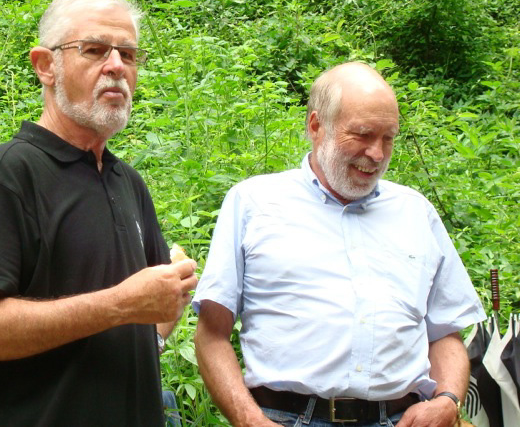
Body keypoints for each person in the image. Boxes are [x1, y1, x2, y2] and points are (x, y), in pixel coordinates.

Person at [0, 0, 198, 427]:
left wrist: (164, 301)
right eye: (94, 50)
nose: (116, 66)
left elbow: (152, 309)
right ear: (46, 66)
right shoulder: (8, 173)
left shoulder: (127, 182)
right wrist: (120, 305)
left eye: (128, 54)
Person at [193, 62, 487, 427]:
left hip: (401, 419)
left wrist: (447, 400)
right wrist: (250, 421)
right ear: (316, 126)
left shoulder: (415, 212)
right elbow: (211, 334)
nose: (377, 153)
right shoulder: (253, 203)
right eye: (363, 134)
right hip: (286, 418)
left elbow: (445, 333)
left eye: (388, 138)